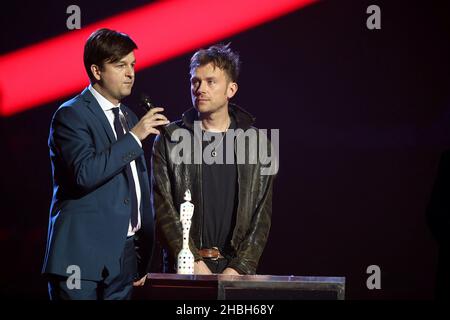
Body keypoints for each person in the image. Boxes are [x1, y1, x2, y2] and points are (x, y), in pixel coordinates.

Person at [42, 28, 169, 300]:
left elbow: (135, 186)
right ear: (97, 71)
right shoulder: (71, 115)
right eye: (120, 65)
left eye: (132, 65)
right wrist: (135, 137)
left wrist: (141, 255)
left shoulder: (128, 115)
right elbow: (84, 174)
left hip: (123, 260)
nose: (130, 72)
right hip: (80, 260)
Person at [152, 44, 276, 275]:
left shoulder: (258, 144)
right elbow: (163, 210)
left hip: (235, 272)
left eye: (211, 82)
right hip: (186, 269)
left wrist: (239, 268)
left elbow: (262, 216)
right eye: (195, 81)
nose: (200, 89)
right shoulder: (169, 139)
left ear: (231, 89)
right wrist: (191, 260)